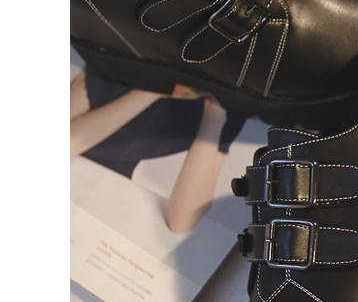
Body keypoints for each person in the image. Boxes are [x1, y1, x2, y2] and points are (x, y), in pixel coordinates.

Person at [70, 68, 246, 233]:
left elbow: (182, 222)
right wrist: (155, 89)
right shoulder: (119, 64)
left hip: (112, 206)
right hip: (83, 185)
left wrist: (214, 114)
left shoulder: (228, 108)